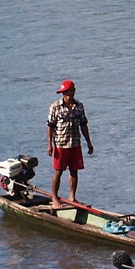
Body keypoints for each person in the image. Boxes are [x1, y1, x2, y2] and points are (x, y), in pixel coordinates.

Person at [46, 79, 93, 208]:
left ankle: (72, 197)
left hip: (75, 143)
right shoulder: (55, 107)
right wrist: (49, 145)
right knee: (58, 171)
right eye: (65, 92)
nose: (67, 94)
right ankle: (55, 198)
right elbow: (50, 126)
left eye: (69, 91)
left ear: (73, 91)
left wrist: (89, 142)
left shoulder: (79, 106)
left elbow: (83, 124)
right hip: (60, 144)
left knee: (74, 171)